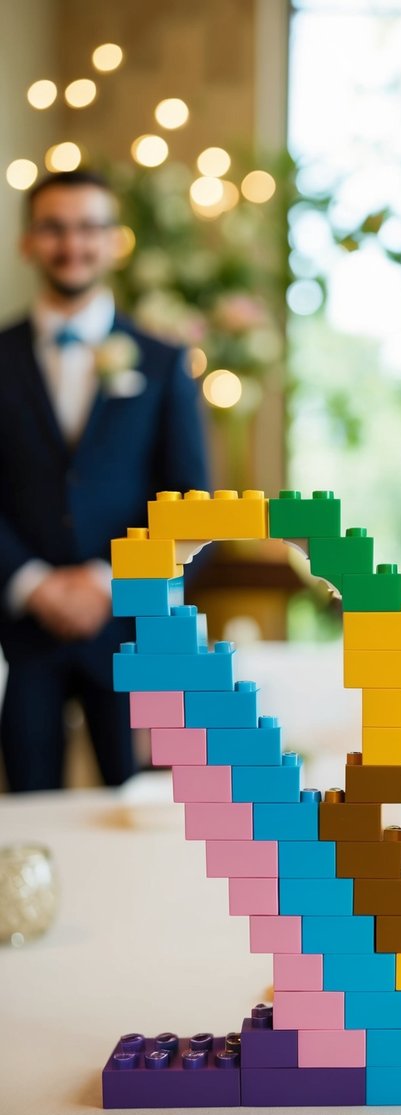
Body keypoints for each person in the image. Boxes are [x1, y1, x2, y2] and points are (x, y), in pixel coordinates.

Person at [0, 170, 209, 792]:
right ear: (27, 242)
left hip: (130, 633)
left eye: (89, 228)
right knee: (26, 819)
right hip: (19, 631)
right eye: (54, 228)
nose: (73, 244)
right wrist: (34, 585)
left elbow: (190, 508)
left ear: (115, 241)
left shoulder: (165, 361)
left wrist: (105, 584)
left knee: (138, 812)